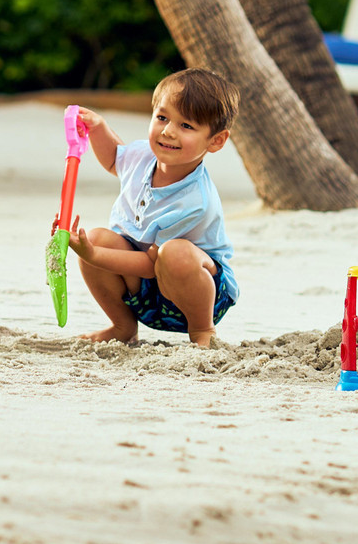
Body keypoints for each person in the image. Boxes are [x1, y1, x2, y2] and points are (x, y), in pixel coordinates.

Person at [66, 70, 240, 348]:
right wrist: (98, 128)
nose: (168, 130)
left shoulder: (195, 201)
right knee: (98, 237)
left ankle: (203, 332)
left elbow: (151, 265)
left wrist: (95, 255)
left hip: (194, 297)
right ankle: (122, 326)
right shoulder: (143, 156)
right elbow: (114, 160)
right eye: (162, 118)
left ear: (216, 141)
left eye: (186, 126)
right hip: (145, 294)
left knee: (175, 253)